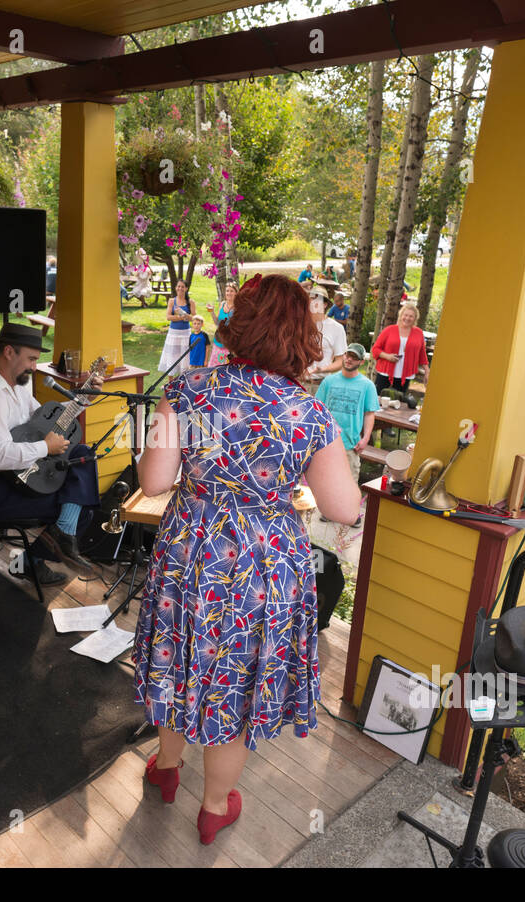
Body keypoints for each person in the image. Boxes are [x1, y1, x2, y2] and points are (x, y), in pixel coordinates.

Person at [133, 274, 360, 845]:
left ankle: (165, 770)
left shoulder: (189, 390)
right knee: (232, 679)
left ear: (240, 324)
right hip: (265, 565)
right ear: (301, 337)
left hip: (192, 552)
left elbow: (155, 480)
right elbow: (343, 509)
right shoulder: (308, 412)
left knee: (178, 656)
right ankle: (213, 808)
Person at [0, 321, 102, 586]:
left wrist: (82, 400)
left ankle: (54, 541)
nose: (35, 367)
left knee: (81, 453)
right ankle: (36, 558)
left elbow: (46, 421)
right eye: (31, 359)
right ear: (9, 352)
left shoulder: (15, 386)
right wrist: (46, 447)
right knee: (83, 508)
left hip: (16, 475)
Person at [315, 342, 376, 527]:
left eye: (354, 357)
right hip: (328, 441)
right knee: (327, 478)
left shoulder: (367, 385)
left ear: (360, 362)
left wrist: (365, 438)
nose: (349, 359)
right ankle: (328, 510)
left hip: (351, 442)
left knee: (350, 480)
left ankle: (352, 514)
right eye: (348, 355)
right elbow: (318, 409)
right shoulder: (329, 381)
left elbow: (369, 413)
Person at [370, 302, 429, 397]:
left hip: (405, 375)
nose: (407, 318)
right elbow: (375, 349)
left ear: (415, 319)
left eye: (411, 316)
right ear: (401, 315)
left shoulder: (418, 333)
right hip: (385, 373)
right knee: (377, 400)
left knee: (398, 402)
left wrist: (427, 371)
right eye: (405, 315)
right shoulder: (389, 330)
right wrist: (387, 356)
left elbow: (422, 354)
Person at [305, 304, 347, 393]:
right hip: (297, 383)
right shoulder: (297, 324)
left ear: (324, 304)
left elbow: (341, 361)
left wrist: (322, 369)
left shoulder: (336, 328)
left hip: (321, 385)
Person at [158, 279, 195, 373]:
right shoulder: (171, 301)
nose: (180, 288)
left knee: (185, 356)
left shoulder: (191, 302)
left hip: (186, 333)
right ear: (175, 288)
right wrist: (181, 317)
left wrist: (185, 315)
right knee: (171, 355)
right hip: (173, 333)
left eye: (182, 287)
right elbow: (168, 317)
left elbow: (194, 318)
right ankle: (170, 381)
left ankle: (183, 379)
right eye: (178, 286)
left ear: (186, 288)